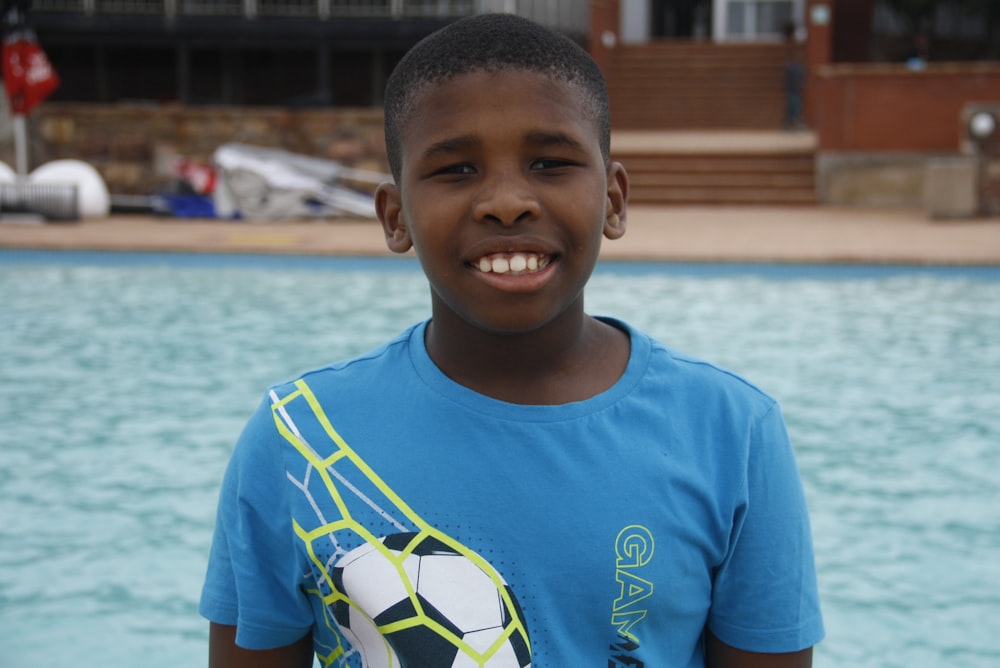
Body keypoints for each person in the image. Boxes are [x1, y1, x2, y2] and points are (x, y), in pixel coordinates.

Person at [199, 13, 824, 667]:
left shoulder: (730, 431)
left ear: (613, 201)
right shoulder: (295, 437)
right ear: (394, 217)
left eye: (550, 164)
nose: (506, 201)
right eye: (457, 169)